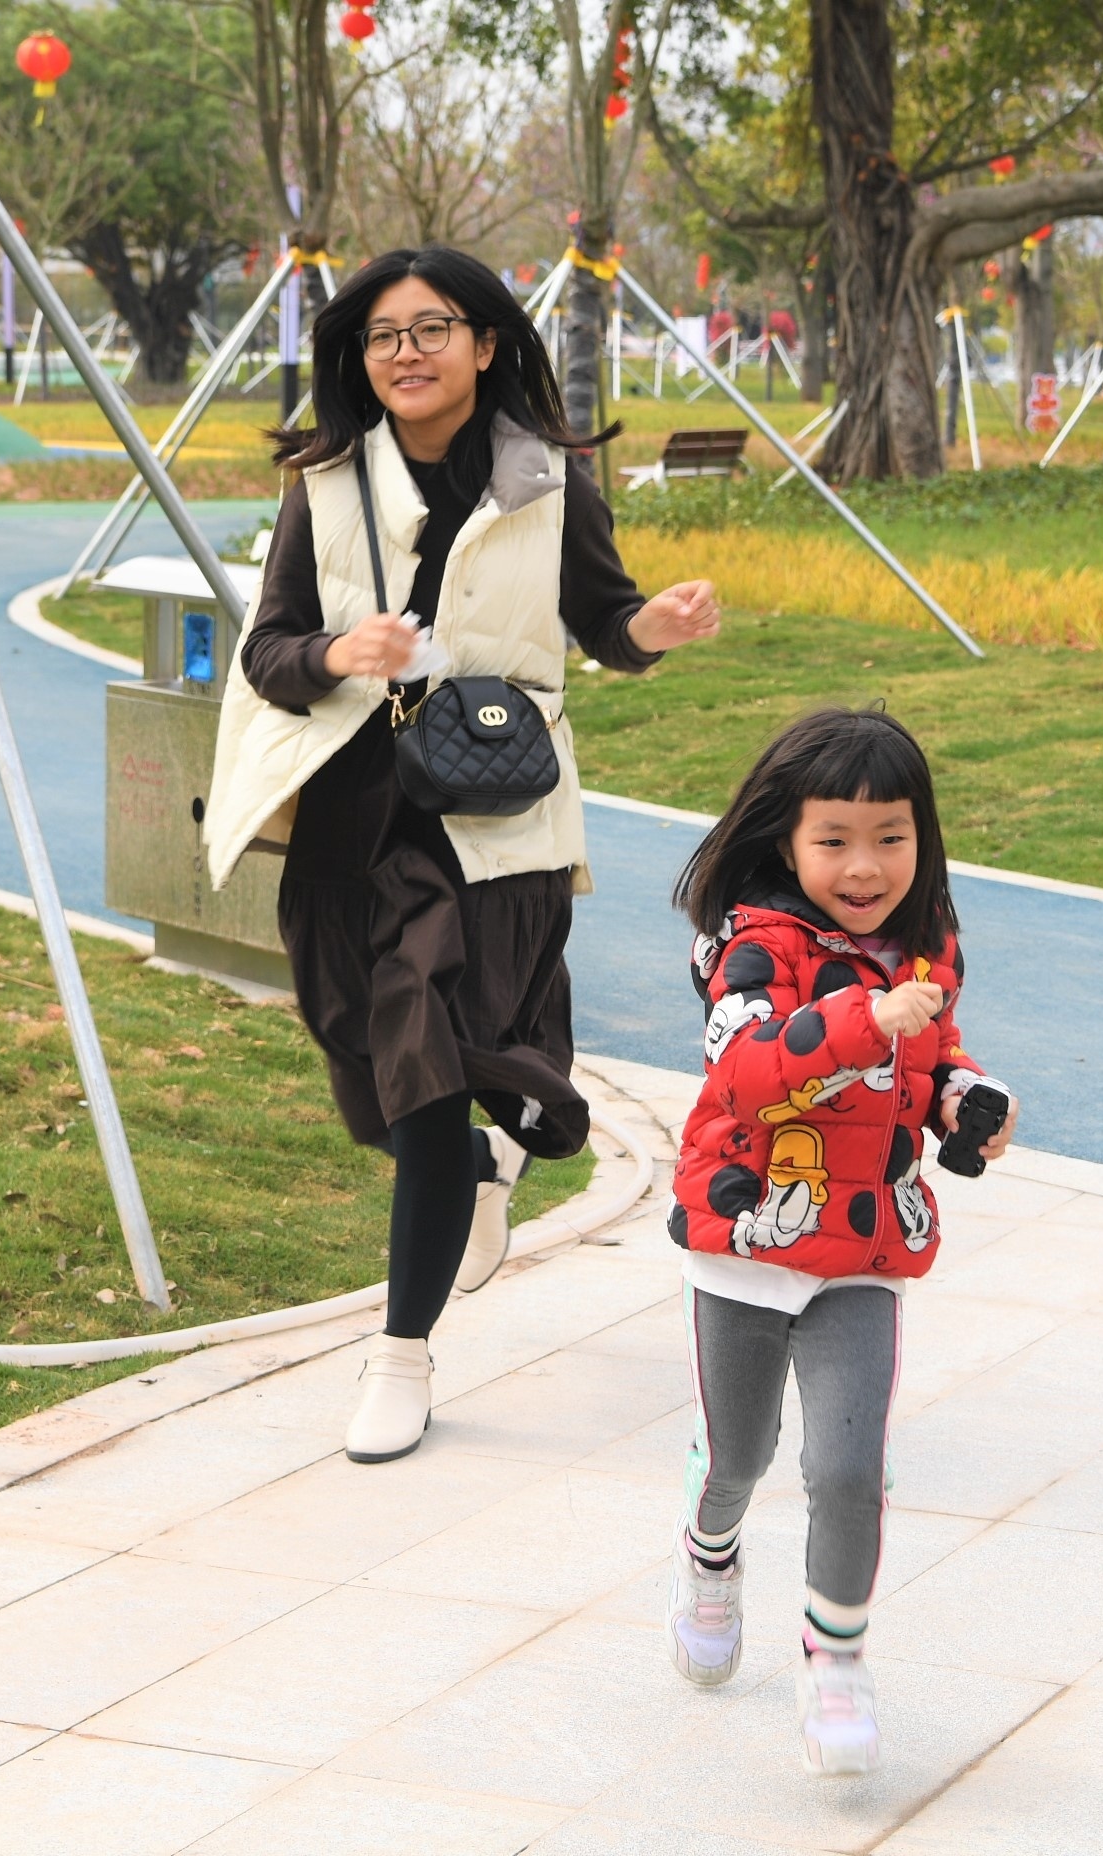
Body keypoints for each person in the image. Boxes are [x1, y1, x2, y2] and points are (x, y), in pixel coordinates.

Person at [202, 246, 721, 1464]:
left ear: (485, 344)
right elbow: (269, 651)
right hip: (345, 814)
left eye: (432, 328)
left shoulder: (547, 481)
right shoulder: (326, 482)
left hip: (486, 823)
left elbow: (605, 620)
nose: (407, 353)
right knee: (368, 1074)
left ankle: (401, 1356)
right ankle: (483, 1162)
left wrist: (654, 625)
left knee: (425, 1074)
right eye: (384, 335)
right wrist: (341, 653)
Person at [663, 709, 1019, 1775]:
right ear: (785, 839)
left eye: (891, 837)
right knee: (740, 1455)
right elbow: (749, 1072)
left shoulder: (928, 950)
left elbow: (933, 1057)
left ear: (923, 837)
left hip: (863, 1246)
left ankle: (837, 1664)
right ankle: (710, 1553)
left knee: (849, 1466)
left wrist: (967, 1101)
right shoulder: (750, 945)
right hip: (747, 1243)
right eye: (834, 840)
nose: (865, 867)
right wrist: (872, 1018)